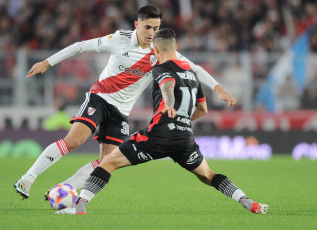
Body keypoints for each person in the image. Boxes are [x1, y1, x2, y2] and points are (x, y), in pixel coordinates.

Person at [14, 5, 236, 200]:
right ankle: (28, 178)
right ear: (136, 24)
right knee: (74, 140)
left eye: (156, 28)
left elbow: (194, 69)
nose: (151, 33)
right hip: (100, 98)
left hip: (121, 112)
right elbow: (81, 46)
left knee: (106, 161)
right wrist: (47, 62)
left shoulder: (160, 51)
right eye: (147, 27)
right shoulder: (119, 39)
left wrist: (219, 89)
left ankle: (61, 190)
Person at [55, 28, 268, 215]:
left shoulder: (160, 68)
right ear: (176, 46)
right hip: (185, 139)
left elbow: (167, 85)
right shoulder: (192, 75)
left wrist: (168, 105)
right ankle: (246, 200)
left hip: (158, 135)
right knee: (207, 175)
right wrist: (184, 119)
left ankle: (80, 206)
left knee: (108, 161)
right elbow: (202, 109)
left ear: (156, 51)